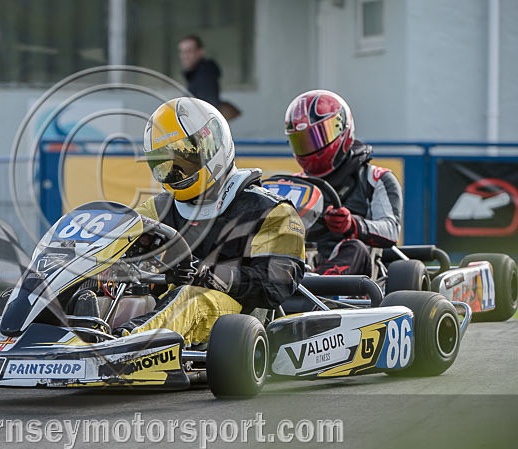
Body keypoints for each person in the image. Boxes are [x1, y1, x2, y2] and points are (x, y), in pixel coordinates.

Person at [116, 97, 306, 345]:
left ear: (213, 145)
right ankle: (70, 337)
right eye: (166, 164)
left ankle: (124, 346)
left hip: (238, 318)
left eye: (184, 158)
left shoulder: (271, 210)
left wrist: (212, 274)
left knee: (191, 298)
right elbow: (116, 241)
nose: (176, 172)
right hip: (162, 306)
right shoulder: (157, 208)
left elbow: (277, 284)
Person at [284, 89, 403, 276]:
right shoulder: (296, 184)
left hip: (360, 276)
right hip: (304, 264)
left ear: (342, 128)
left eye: (317, 138)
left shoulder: (376, 178)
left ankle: (317, 291)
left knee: (354, 247)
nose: (311, 147)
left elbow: (390, 230)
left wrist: (352, 225)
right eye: (303, 142)